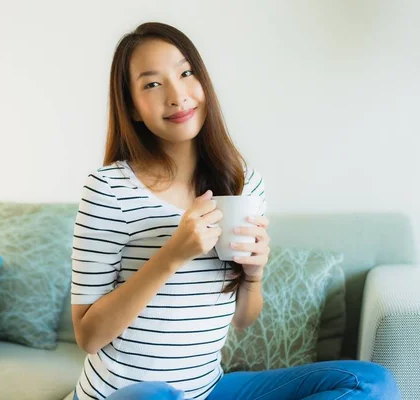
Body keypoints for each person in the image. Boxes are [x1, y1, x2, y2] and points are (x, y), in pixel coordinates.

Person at [70, 22, 400, 400]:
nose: (177, 96)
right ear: (132, 108)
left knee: (373, 383)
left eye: (185, 72)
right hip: (129, 394)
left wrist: (254, 275)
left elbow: (243, 318)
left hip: (209, 390)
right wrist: (171, 256)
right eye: (152, 84)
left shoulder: (244, 185)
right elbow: (88, 336)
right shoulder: (109, 188)